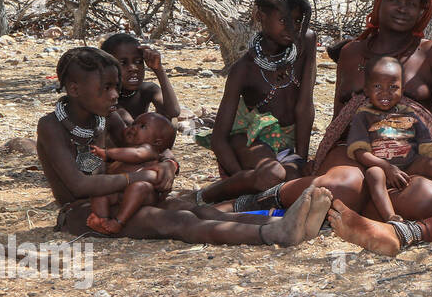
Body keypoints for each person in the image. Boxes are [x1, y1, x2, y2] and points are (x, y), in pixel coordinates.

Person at [38, 47, 329, 246]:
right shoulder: (51, 126)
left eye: (116, 86)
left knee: (195, 209)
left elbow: (153, 146)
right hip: (83, 212)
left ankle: (282, 222)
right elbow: (77, 186)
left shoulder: (106, 116)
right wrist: (136, 178)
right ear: (74, 89)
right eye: (106, 88)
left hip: (119, 197)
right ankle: (273, 234)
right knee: (176, 221)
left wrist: (168, 164)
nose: (116, 94)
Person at [307, 0, 432, 239]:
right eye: (394, 0)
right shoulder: (352, 54)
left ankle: (348, 213)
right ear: (379, 1)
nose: (402, 8)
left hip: (408, 156)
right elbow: (339, 122)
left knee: (429, 198)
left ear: (422, 11)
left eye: (411, 4)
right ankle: (351, 205)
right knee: (345, 185)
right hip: (355, 152)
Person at [198, 0, 316, 206]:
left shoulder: (305, 42)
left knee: (297, 183)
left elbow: (304, 105)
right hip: (252, 140)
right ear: (259, 15)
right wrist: (239, 180)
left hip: (286, 143)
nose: (293, 29)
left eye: (298, 22)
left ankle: (251, 201)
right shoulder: (244, 70)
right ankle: (216, 197)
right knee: (273, 176)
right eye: (284, 21)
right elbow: (218, 138)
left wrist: (301, 158)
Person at [348, 55, 432, 224]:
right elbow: (359, 152)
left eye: (393, 87)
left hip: (410, 165)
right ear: (366, 90)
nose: (385, 93)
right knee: (374, 175)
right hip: (382, 167)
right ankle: (390, 217)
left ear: (402, 90)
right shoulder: (363, 116)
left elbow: (425, 144)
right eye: (377, 86)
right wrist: (386, 167)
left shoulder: (409, 113)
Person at [86, 112, 177, 235]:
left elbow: (137, 154)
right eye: (134, 123)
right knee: (99, 193)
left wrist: (107, 153)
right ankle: (102, 220)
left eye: (142, 126)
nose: (134, 127)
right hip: (120, 192)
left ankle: (118, 222)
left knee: (138, 187)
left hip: (145, 194)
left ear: (157, 142)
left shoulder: (149, 149)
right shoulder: (124, 152)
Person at [100, 32, 181, 122]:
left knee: (173, 122)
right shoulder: (103, 96)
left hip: (140, 134)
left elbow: (174, 112)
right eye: (123, 63)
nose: (133, 68)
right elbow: (128, 124)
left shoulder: (148, 89)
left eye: (138, 61)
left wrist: (159, 70)